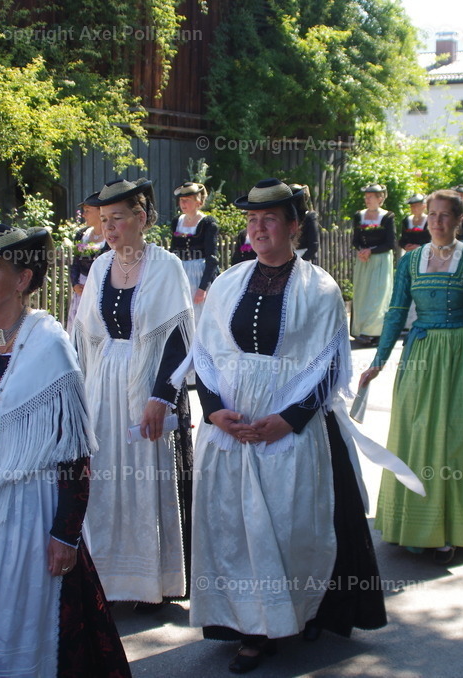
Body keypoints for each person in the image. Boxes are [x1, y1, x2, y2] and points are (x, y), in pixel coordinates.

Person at [176, 178, 415, 673]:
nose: (258, 229)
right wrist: (215, 408)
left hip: (291, 432)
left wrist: (287, 421)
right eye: (252, 220)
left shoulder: (321, 288)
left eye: (269, 220)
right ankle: (249, 626)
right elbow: (207, 351)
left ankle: (294, 612)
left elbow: (329, 364)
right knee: (237, 530)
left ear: (293, 226)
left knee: (290, 528)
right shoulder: (227, 284)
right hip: (232, 431)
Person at [0, 225, 130, 677]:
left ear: (22, 279)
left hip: (26, 504)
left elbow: (74, 451)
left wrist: (65, 533)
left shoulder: (49, 346)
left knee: (17, 613)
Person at [360, 189, 463, 564]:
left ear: (460, 220)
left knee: (455, 439)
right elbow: (396, 313)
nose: (438, 222)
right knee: (413, 434)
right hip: (421, 354)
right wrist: (377, 361)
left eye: (446, 216)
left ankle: (451, 529)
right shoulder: (411, 262)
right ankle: (410, 525)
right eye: (433, 215)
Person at [73, 178, 194, 610]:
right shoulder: (101, 267)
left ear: (141, 218)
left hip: (150, 386)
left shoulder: (166, 267)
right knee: (106, 482)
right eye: (104, 220)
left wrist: (160, 398)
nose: (109, 227)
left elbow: (178, 339)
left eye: (118, 218)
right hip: (105, 384)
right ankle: (106, 576)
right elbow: (86, 336)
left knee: (148, 478)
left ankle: (152, 581)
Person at [350, 183, 396, 345]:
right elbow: (355, 240)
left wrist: (372, 251)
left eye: (370, 197)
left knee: (378, 294)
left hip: (381, 258)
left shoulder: (387, 216)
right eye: (366, 196)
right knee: (362, 293)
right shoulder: (359, 216)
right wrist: (362, 250)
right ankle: (361, 329)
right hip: (364, 259)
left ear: (380, 198)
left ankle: (376, 332)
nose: (367, 199)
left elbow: (390, 243)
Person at [169, 181, 219, 324]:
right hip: (181, 274)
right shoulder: (176, 222)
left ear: (198, 201)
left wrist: (202, 288)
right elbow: (173, 252)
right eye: (181, 200)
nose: (183, 203)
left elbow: (212, 258)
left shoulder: (208, 223)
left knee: (201, 318)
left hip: (200, 274)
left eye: (187, 200)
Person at [66, 191, 108, 327]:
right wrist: (75, 285)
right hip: (81, 290)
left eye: (87, 210)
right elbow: (75, 263)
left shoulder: (111, 236)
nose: (84, 214)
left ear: (100, 211)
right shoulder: (81, 235)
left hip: (101, 289)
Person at [289, 183, 320, 263]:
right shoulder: (286, 218)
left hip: (305, 259)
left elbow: (314, 245)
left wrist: (300, 262)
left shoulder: (309, 217)